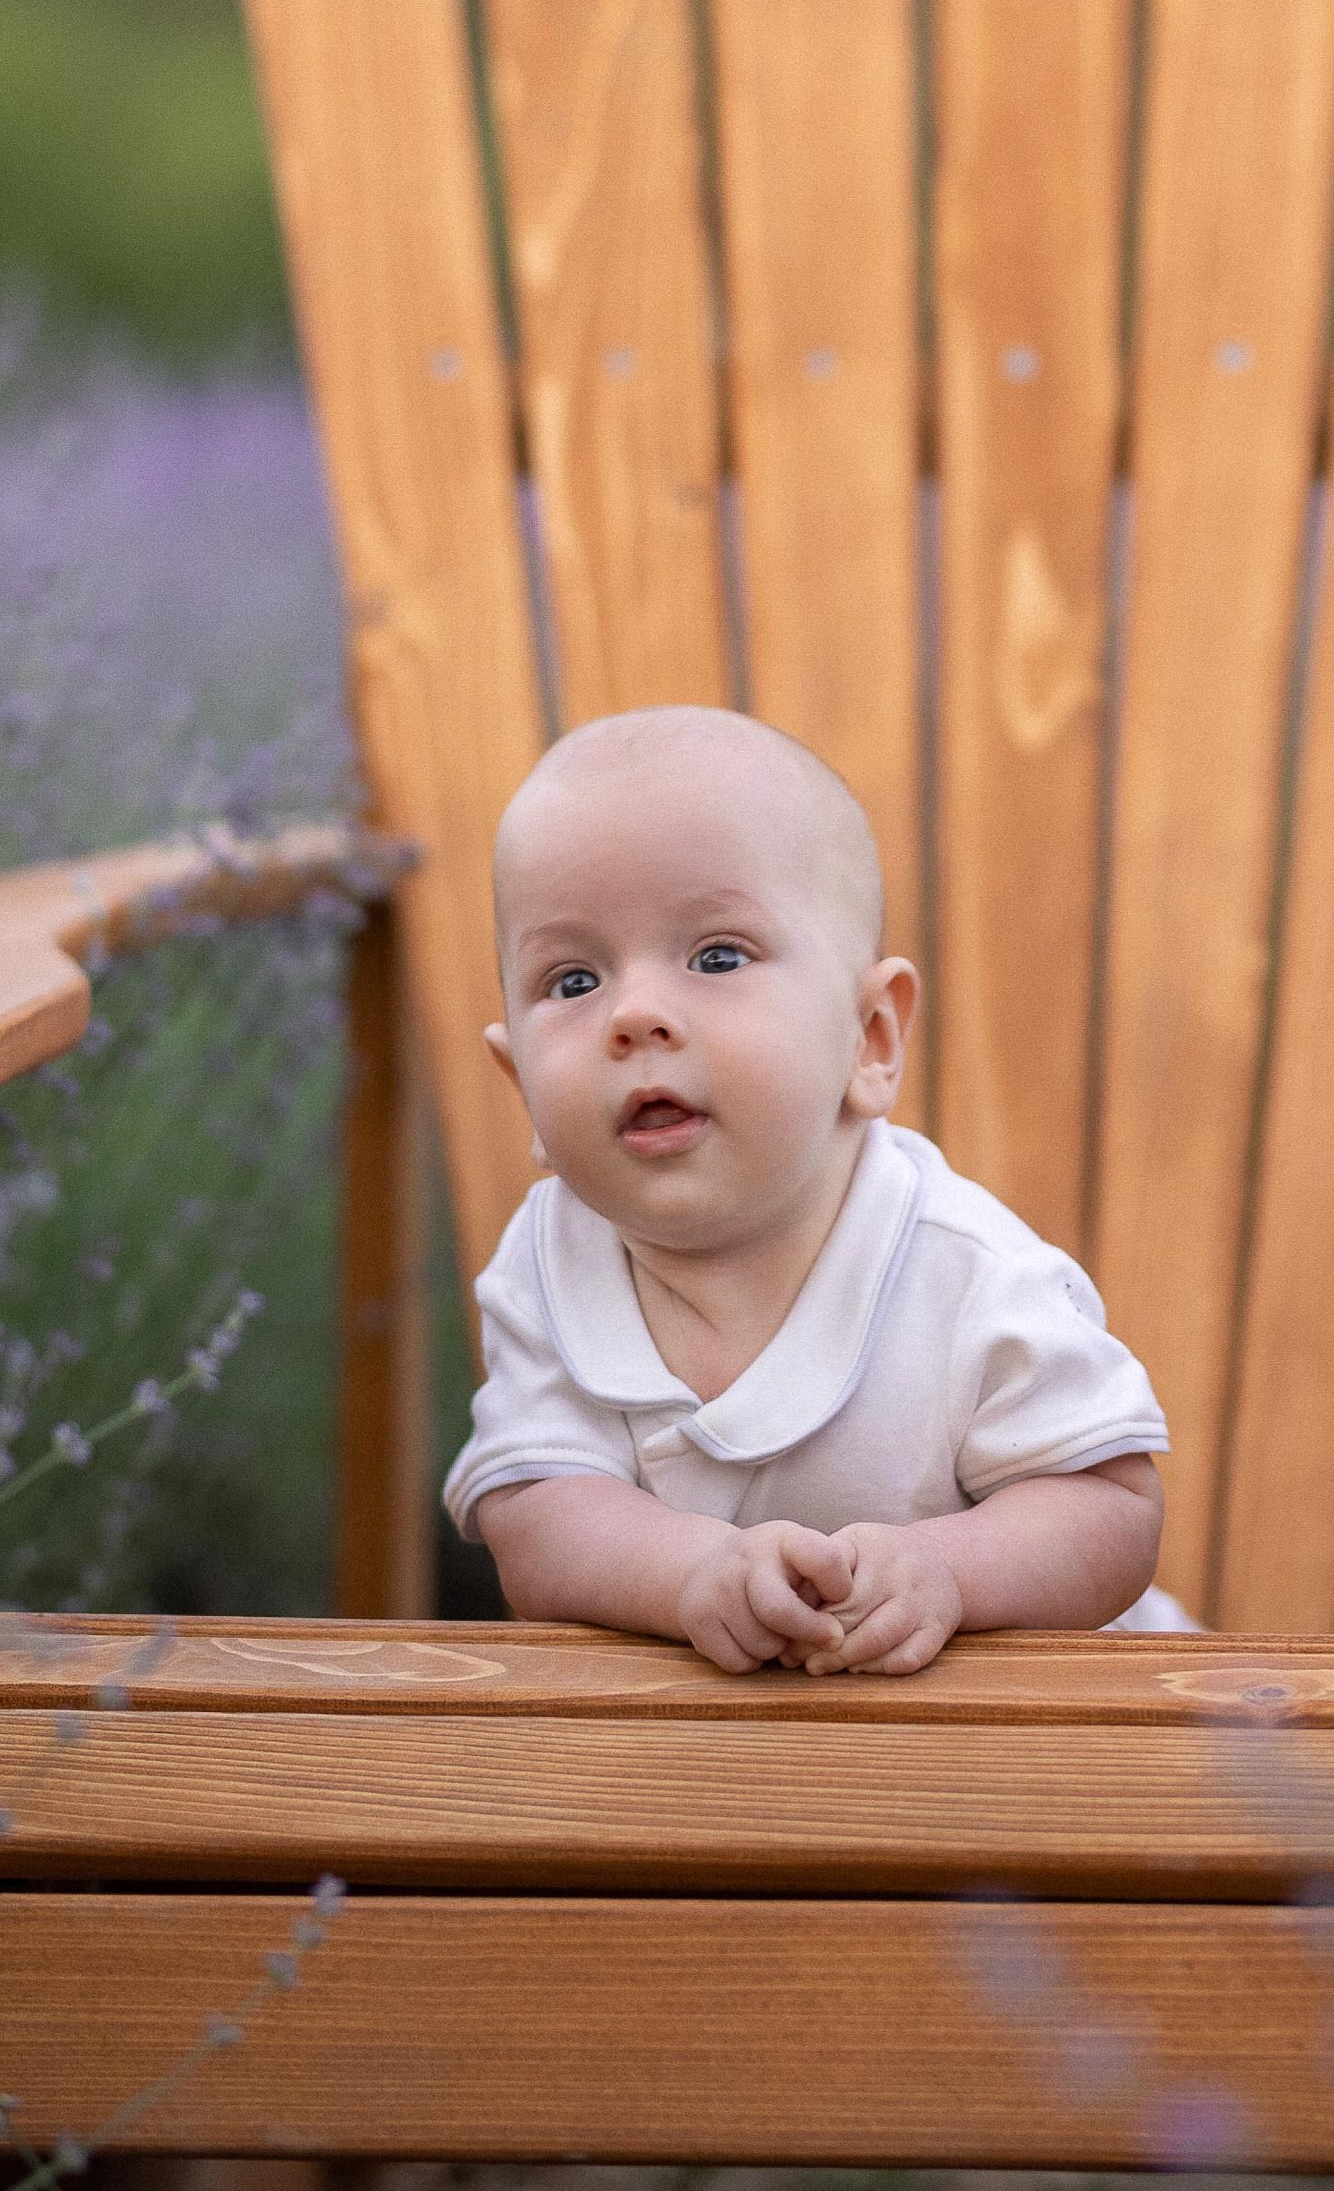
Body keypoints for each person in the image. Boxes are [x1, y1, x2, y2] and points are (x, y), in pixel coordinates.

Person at [443, 703, 1187, 1675]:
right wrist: (690, 1572)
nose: (634, 1014)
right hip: (728, 1745)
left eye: (716, 956)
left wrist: (950, 1569)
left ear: (869, 1037)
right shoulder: (547, 1263)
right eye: (573, 981)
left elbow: (1112, 1508)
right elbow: (537, 1512)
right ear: (521, 1087)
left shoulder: (965, 1272)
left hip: (1046, 1731)